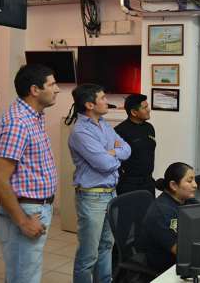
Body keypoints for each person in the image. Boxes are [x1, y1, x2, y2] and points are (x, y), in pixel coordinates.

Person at [0, 64, 59, 283]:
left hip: (36, 207)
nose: (57, 89)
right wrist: (23, 221)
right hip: (25, 210)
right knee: (24, 277)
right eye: (52, 84)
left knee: (27, 273)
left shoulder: (34, 117)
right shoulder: (17, 123)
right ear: (34, 90)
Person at [68, 84, 131, 283]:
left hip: (110, 193)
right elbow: (104, 164)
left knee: (106, 246)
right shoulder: (80, 132)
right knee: (88, 255)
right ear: (89, 104)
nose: (107, 101)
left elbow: (127, 149)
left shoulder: (103, 124)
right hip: (92, 196)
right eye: (103, 98)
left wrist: (111, 152)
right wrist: (112, 154)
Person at [137, 162, 198, 274]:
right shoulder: (161, 212)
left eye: (194, 180)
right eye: (189, 181)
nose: (195, 185)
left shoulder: (188, 200)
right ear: (174, 185)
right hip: (165, 265)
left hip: (182, 259)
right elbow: (181, 251)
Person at [114, 94, 156, 196]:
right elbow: (116, 160)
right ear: (134, 112)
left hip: (148, 183)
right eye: (144, 107)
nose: (148, 110)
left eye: (147, 106)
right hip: (129, 185)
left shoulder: (149, 127)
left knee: (150, 212)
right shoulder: (120, 131)